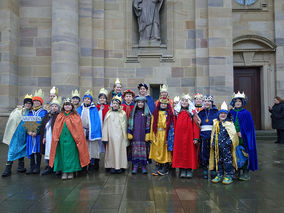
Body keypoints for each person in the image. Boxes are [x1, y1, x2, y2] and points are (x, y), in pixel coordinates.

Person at [49, 98, 90, 180]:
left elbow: (78, 129)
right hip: (62, 140)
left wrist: (77, 139)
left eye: (69, 105)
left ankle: (71, 171)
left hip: (72, 139)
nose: (67, 106)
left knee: (71, 155)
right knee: (62, 155)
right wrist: (56, 137)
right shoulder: (60, 116)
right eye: (65, 105)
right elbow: (56, 128)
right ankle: (64, 171)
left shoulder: (75, 116)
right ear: (63, 106)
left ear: (71, 106)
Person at [2, 94, 33, 177]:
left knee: (22, 150)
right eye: (26, 103)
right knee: (12, 150)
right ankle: (7, 169)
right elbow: (12, 121)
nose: (28, 104)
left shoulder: (30, 112)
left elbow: (31, 124)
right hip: (15, 134)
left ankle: (21, 167)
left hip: (24, 135)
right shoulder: (18, 111)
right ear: (24, 103)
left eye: (29, 103)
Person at [230, 91, 258, 181]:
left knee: (243, 153)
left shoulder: (246, 113)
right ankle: (236, 171)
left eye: (239, 101)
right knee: (234, 153)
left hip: (243, 138)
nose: (237, 103)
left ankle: (245, 172)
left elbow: (249, 127)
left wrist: (242, 132)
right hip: (232, 138)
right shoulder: (231, 113)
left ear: (242, 103)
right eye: (236, 101)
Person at [209, 101, 239, 185]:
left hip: (226, 147)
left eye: (224, 113)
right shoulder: (216, 123)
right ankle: (220, 174)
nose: (222, 115)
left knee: (228, 161)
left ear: (227, 115)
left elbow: (233, 135)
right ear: (218, 114)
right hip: (218, 147)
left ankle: (229, 175)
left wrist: (228, 143)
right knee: (218, 161)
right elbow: (213, 134)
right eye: (221, 113)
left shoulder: (229, 124)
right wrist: (213, 143)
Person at [172, 94, 200, 178]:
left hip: (189, 137)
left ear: (189, 103)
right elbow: (174, 124)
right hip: (179, 137)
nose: (184, 102)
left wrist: (196, 137)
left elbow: (196, 126)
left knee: (189, 153)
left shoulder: (192, 113)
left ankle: (189, 169)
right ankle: (182, 169)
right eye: (183, 100)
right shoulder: (176, 112)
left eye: (186, 101)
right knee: (180, 153)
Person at [102, 95, 128, 174]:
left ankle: (120, 166)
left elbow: (125, 126)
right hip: (111, 136)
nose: (115, 105)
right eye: (113, 103)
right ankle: (112, 166)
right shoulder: (108, 113)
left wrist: (125, 137)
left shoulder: (123, 114)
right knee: (111, 152)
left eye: (117, 103)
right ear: (111, 104)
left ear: (119, 105)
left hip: (120, 137)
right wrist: (105, 137)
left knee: (120, 151)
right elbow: (105, 126)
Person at [149, 96, 174, 176]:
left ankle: (165, 166)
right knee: (157, 149)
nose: (163, 105)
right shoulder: (155, 113)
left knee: (165, 149)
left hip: (165, 134)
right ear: (159, 104)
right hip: (157, 133)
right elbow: (152, 125)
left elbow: (171, 125)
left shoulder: (169, 114)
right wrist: (152, 136)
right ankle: (158, 165)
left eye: (165, 104)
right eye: (162, 104)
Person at [77, 90, 102, 171]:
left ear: (91, 100)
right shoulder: (80, 109)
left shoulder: (94, 109)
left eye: (88, 99)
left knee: (92, 148)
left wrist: (94, 131)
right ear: (83, 100)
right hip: (82, 131)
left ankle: (92, 163)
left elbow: (96, 121)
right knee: (84, 148)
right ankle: (84, 164)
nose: (87, 100)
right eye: (85, 99)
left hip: (92, 131)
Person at [26, 89, 48, 175]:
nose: (36, 102)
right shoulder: (30, 112)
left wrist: (37, 132)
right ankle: (31, 166)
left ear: (41, 102)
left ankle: (37, 167)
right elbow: (26, 122)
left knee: (38, 151)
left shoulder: (43, 112)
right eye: (34, 101)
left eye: (38, 101)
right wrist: (28, 131)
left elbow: (43, 123)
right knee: (31, 151)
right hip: (30, 135)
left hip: (38, 135)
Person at [127, 96, 152, 174]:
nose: (140, 104)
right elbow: (130, 123)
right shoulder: (133, 113)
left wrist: (148, 133)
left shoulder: (147, 113)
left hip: (143, 135)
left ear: (144, 103)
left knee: (144, 151)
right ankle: (135, 166)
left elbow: (149, 124)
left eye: (142, 102)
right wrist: (130, 132)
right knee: (135, 150)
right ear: (136, 103)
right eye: (139, 102)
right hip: (135, 135)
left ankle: (144, 166)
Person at [198, 95, 219, 179]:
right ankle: (204, 169)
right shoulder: (201, 112)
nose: (207, 103)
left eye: (209, 101)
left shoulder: (216, 112)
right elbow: (197, 123)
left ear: (212, 103)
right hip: (203, 136)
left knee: (213, 152)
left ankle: (213, 169)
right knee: (203, 153)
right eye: (205, 101)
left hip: (213, 135)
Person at [40, 96, 61, 175]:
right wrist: (44, 137)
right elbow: (44, 127)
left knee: (56, 152)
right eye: (52, 106)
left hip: (55, 137)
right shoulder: (47, 115)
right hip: (48, 137)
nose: (54, 108)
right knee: (48, 151)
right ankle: (49, 167)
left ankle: (57, 167)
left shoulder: (59, 116)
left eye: (56, 106)